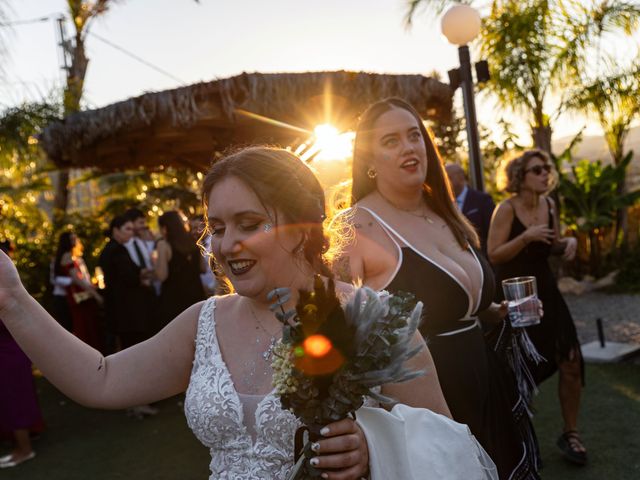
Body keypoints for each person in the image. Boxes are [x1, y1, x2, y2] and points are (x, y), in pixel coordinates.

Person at [0, 146, 484, 480]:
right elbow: (101, 379)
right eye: (217, 225)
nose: (226, 244)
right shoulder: (202, 322)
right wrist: (13, 299)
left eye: (248, 223)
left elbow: (445, 440)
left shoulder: (370, 318)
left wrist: (370, 446)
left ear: (299, 227)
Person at [334, 97, 540, 479]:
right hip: (426, 404)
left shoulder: (443, 210)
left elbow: (463, 306)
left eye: (414, 136)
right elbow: (336, 330)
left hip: (485, 380)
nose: (409, 147)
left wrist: (498, 313)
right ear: (368, 160)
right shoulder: (357, 226)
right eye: (390, 141)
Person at [487, 149, 585, 465]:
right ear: (520, 177)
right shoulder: (505, 209)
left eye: (546, 168)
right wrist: (525, 236)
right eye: (537, 169)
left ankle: (571, 433)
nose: (545, 173)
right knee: (520, 368)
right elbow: (494, 254)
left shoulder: (550, 205)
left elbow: (550, 245)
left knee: (571, 359)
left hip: (547, 291)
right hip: (515, 292)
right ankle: (518, 441)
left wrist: (567, 243)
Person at [0, 240, 43, 469]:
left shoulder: (7, 292)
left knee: (15, 400)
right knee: (15, 400)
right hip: (12, 349)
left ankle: (24, 450)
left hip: (8, 352)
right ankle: (23, 444)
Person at [155, 211, 206, 328]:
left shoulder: (163, 245)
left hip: (174, 300)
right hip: (196, 296)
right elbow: (202, 268)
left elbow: (162, 275)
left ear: (164, 228)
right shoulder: (194, 241)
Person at [53, 232, 103, 351]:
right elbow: (77, 279)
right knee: (83, 326)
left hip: (82, 295)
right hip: (78, 297)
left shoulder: (74, 256)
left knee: (89, 326)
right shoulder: (67, 256)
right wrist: (95, 294)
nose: (75, 241)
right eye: (72, 239)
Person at [445, 163, 496, 253]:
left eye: (448, 178)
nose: (445, 182)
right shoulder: (444, 204)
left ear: (461, 177)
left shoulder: (482, 200)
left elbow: (492, 232)